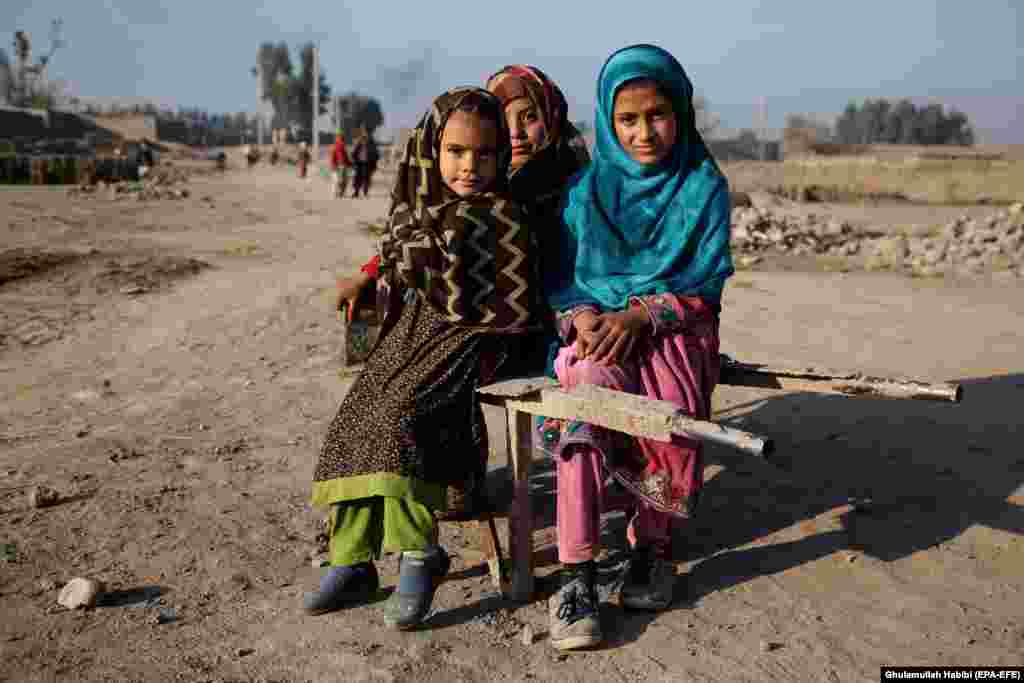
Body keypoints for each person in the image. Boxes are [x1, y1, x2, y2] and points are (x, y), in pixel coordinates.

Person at [304, 87, 541, 630]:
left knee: (397, 421)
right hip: (412, 335)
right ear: (431, 150)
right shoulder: (417, 210)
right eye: (456, 152)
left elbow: (509, 305)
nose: (469, 166)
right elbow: (397, 263)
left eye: (484, 154)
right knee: (355, 420)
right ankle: (353, 559)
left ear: (501, 155)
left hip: (469, 343)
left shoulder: (506, 217)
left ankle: (420, 555)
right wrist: (368, 281)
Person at [539, 44, 734, 651]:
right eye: (628, 119)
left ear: (680, 113)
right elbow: (563, 281)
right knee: (584, 413)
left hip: (674, 338)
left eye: (657, 115)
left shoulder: (704, 189)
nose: (644, 132)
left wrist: (644, 313)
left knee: (669, 415)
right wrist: (583, 315)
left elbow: (705, 288)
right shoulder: (583, 193)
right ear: (607, 120)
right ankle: (576, 575)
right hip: (598, 336)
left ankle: (651, 548)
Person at [332, 64, 591, 519]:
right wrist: (369, 274)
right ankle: (436, 488)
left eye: (528, 116)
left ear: (551, 115)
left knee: (425, 379)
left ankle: (440, 488)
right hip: (469, 320)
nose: (517, 133)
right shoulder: (486, 178)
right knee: (398, 376)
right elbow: (422, 236)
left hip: (542, 326)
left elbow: (592, 265)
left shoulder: (577, 184)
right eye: (504, 120)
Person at [329, 133, 352, 198]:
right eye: (340, 139)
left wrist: (350, 164)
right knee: (338, 180)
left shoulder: (343, 147)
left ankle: (340, 193)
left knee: (343, 180)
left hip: (342, 166)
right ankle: (336, 193)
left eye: (342, 139)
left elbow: (346, 157)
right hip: (338, 166)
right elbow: (332, 157)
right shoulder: (335, 147)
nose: (342, 141)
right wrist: (333, 165)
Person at [350, 128, 371, 197]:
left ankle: (365, 192)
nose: (364, 137)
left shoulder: (369, 144)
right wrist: (354, 161)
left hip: (366, 164)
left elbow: (374, 154)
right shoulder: (358, 143)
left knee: (366, 178)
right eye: (363, 136)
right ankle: (356, 192)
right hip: (359, 163)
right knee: (357, 178)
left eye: (365, 136)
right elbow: (353, 153)